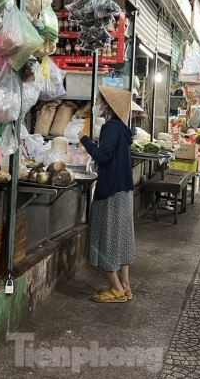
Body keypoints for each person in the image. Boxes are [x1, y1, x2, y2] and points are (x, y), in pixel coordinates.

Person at [78, 86, 141, 303]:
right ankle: (125, 286)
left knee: (107, 240)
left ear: (107, 105)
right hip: (124, 191)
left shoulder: (111, 128)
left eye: (98, 100)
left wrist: (85, 140)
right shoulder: (122, 128)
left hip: (111, 192)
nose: (96, 104)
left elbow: (103, 157)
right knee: (121, 239)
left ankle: (115, 289)